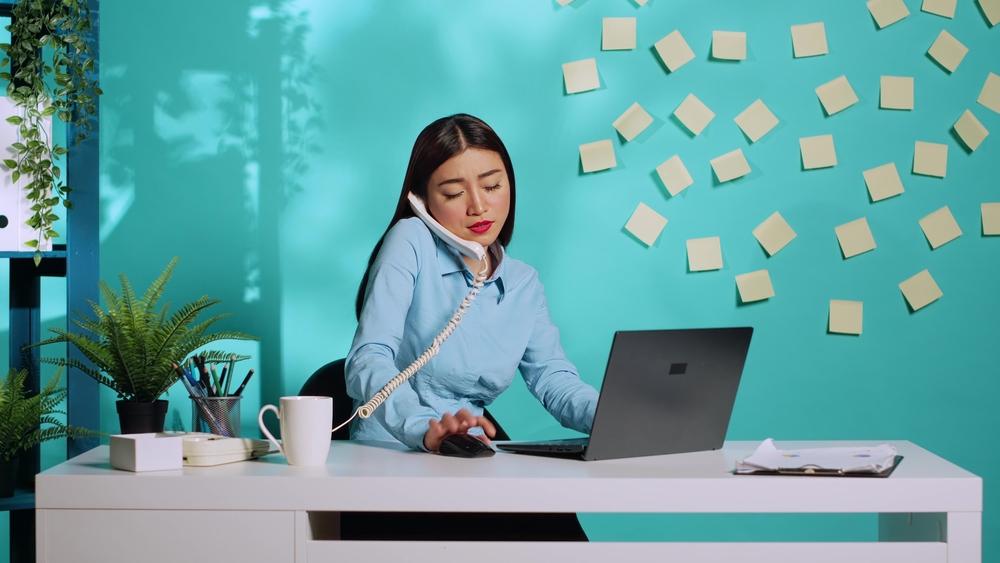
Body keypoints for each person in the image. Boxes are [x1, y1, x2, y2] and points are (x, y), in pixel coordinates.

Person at [342, 113, 597, 541]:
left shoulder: (522, 282)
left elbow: (554, 378)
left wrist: (613, 420)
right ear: (422, 200)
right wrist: (426, 428)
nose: (478, 206)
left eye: (493, 186)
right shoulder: (411, 242)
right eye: (454, 192)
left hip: (468, 457)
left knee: (561, 531)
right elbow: (367, 359)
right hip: (393, 455)